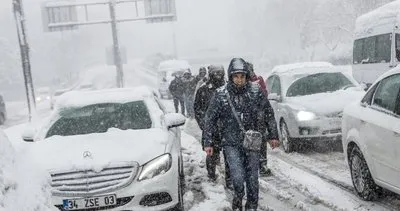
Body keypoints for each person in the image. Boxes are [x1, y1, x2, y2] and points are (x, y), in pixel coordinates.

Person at [203, 58, 279, 211]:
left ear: (246, 76)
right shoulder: (221, 94)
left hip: (252, 141)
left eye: (242, 76)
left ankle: (251, 206)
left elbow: (268, 113)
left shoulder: (256, 91)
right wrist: (208, 142)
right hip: (231, 143)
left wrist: (273, 135)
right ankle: (238, 198)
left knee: (252, 178)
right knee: (237, 178)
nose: (239, 80)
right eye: (236, 76)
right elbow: (210, 119)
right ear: (231, 76)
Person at [194, 64, 231, 188]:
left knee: (230, 154)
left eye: (220, 73)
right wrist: (203, 124)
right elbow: (197, 108)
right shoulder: (203, 90)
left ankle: (230, 179)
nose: (218, 75)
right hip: (211, 128)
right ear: (211, 74)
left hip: (227, 128)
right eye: (216, 73)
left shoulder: (229, 88)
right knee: (211, 154)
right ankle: (211, 175)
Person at [246, 61, 271, 177]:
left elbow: (265, 94)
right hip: (247, 117)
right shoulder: (241, 84)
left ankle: (262, 163)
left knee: (261, 139)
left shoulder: (259, 80)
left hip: (259, 115)